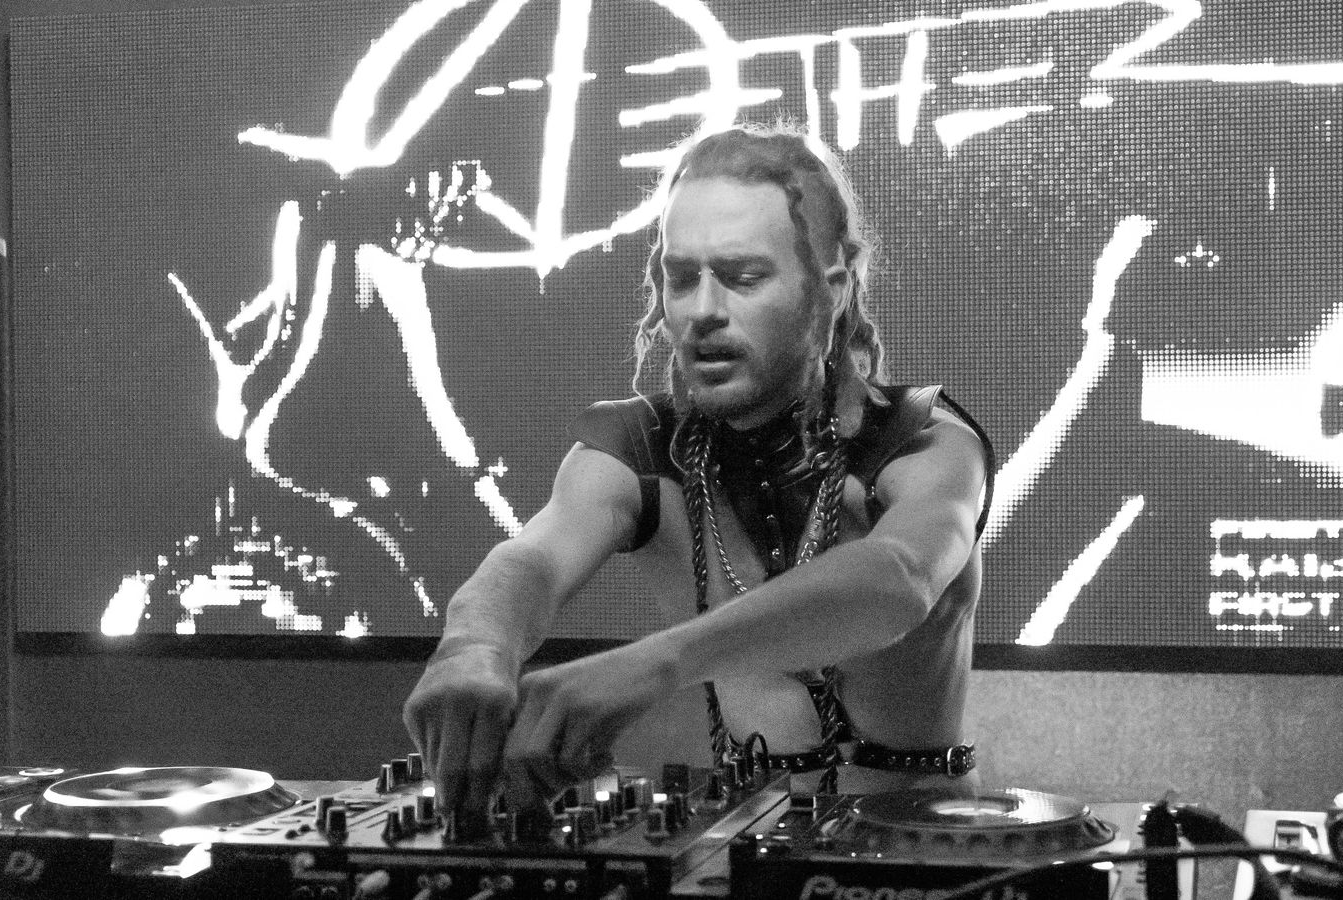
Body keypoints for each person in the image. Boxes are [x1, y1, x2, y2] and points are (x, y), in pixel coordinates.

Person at [403, 123, 992, 828]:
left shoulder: (924, 438)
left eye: (743, 277)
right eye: (682, 278)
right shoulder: (639, 448)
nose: (704, 311)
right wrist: (474, 647)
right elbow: (531, 558)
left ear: (829, 290)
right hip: (737, 857)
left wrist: (653, 664)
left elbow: (899, 576)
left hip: (932, 858)